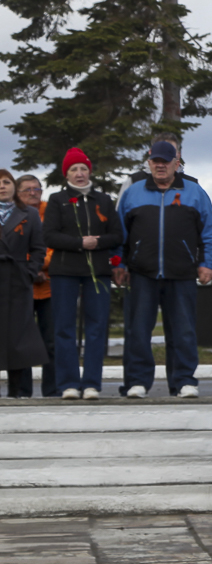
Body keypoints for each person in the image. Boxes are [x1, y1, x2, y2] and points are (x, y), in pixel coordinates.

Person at [115, 140, 212, 399]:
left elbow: (208, 232)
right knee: (138, 330)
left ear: (176, 163)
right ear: (149, 163)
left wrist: (206, 264)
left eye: (165, 162)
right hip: (141, 273)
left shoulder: (195, 192)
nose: (160, 166)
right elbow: (120, 235)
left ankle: (183, 381)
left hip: (182, 273)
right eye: (155, 162)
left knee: (183, 330)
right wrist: (120, 264)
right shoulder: (133, 192)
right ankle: (137, 381)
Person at [43, 150, 123, 401]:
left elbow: (117, 235)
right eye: (74, 169)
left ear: (90, 172)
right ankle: (67, 383)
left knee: (97, 328)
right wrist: (80, 242)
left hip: (97, 272)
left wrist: (96, 242)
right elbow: (50, 235)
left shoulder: (104, 200)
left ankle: (91, 384)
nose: (79, 174)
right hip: (64, 272)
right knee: (64, 328)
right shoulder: (57, 200)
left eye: (83, 169)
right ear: (66, 174)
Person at [1, 169, 49, 398]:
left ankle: (17, 390)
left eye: (6, 182)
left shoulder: (28, 214)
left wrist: (30, 272)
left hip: (18, 281)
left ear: (13, 186)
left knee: (18, 337)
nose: (2, 186)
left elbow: (38, 249)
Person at [12, 175, 54, 398]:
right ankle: (21, 391)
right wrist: (30, 268)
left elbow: (55, 243)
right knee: (21, 343)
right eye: (26, 189)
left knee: (51, 340)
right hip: (21, 286)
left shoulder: (52, 212)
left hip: (49, 286)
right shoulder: (11, 215)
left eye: (36, 189)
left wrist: (41, 265)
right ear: (17, 193)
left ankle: (53, 391)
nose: (32, 193)